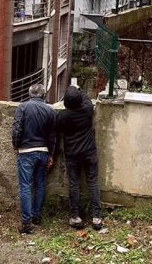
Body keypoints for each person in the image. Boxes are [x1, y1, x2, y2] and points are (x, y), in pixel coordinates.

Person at [55, 85, 103, 231]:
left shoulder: (63, 116)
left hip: (72, 155)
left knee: (74, 185)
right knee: (93, 182)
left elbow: (57, 129)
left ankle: (76, 217)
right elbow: (86, 98)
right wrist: (79, 89)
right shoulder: (88, 109)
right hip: (89, 153)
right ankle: (96, 217)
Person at [12, 84, 57, 234]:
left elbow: (17, 128)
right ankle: (36, 216)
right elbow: (52, 135)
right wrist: (51, 154)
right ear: (43, 95)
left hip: (26, 151)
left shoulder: (23, 107)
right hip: (43, 151)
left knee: (25, 185)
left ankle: (26, 222)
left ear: (30, 94)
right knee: (40, 184)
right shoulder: (50, 110)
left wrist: (15, 145)